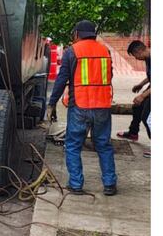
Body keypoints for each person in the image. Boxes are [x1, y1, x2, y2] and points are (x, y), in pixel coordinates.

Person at [48, 20, 117, 195]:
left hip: (80, 106)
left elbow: (61, 79)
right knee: (103, 145)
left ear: (77, 34)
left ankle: (76, 184)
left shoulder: (72, 51)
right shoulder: (105, 50)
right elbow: (110, 75)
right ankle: (109, 184)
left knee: (73, 145)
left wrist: (52, 104)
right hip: (102, 105)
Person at [117, 40, 151, 142]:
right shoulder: (148, 58)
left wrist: (143, 96)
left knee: (147, 118)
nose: (136, 58)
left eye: (135, 55)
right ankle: (133, 133)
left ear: (139, 51)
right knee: (137, 106)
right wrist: (141, 84)